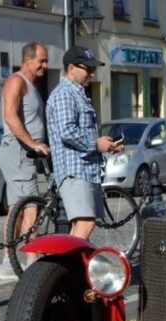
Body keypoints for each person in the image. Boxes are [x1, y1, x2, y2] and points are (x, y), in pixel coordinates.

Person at [47, 45, 123, 240]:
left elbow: (83, 132)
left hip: (86, 170)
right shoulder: (65, 93)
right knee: (85, 223)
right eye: (87, 68)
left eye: (93, 69)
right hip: (74, 171)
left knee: (80, 228)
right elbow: (67, 131)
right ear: (71, 68)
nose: (92, 73)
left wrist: (106, 145)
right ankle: (64, 269)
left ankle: (69, 269)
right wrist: (96, 144)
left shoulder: (78, 93)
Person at [0, 41, 50, 280]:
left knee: (17, 210)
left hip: (24, 154)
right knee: (30, 205)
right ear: (27, 60)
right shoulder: (16, 81)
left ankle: (9, 262)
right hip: (18, 153)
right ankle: (31, 259)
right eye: (41, 61)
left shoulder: (30, 85)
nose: (45, 66)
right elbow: (10, 116)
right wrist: (32, 143)